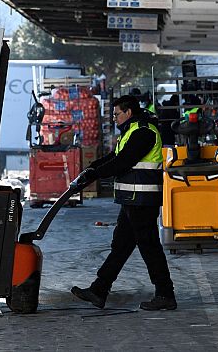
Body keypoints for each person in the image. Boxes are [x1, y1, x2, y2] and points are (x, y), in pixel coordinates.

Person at [71, 95, 176, 311]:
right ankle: (99, 290)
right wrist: (91, 169)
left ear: (128, 112)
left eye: (117, 114)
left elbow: (123, 162)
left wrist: (95, 174)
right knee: (121, 246)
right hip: (132, 200)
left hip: (142, 200)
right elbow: (114, 156)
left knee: (150, 248)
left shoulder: (144, 132)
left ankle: (165, 294)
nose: (115, 118)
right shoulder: (131, 131)